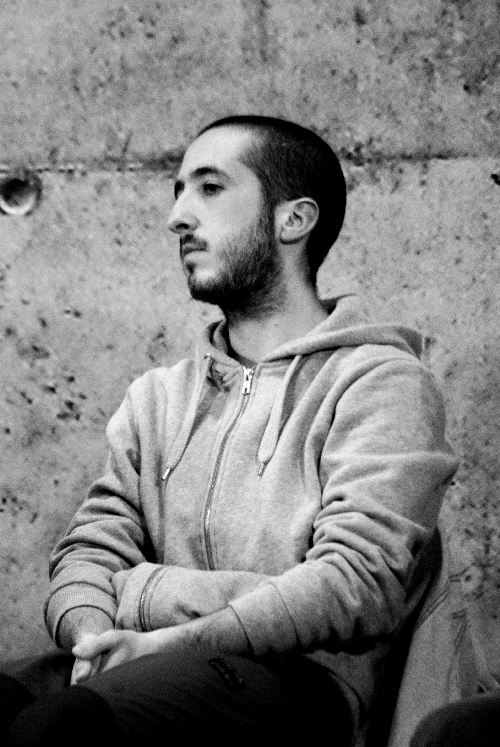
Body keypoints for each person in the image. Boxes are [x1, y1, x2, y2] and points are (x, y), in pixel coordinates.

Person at [1, 115, 458, 746]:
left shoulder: (378, 381)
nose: (177, 218)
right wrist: (93, 635)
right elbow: (89, 551)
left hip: (305, 683)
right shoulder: (158, 397)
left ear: (293, 220)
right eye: (178, 192)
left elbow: (356, 583)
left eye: (210, 189)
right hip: (139, 655)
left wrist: (160, 617)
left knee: (64, 729)